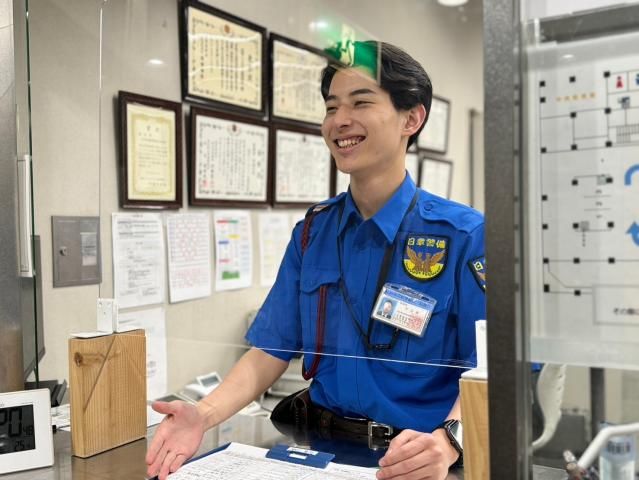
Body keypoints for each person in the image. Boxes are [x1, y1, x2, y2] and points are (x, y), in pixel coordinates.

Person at [146, 41, 485, 480]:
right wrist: (203, 414)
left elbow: (491, 368)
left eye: (360, 102)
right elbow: (271, 349)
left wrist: (450, 440)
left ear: (411, 118)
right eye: (331, 107)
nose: (340, 121)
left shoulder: (462, 235)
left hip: (418, 462)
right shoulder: (313, 232)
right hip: (321, 457)